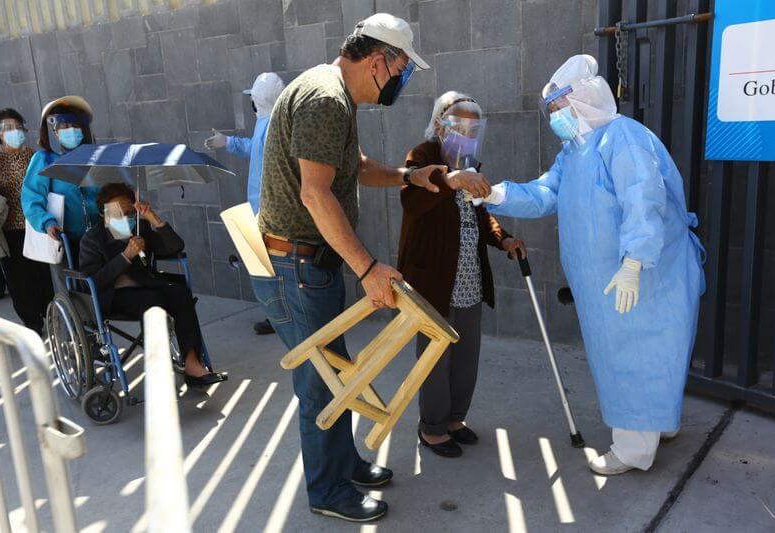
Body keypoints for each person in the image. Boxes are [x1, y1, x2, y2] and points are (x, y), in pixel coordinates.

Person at [252, 13, 489, 522]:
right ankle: (328, 492)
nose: (402, 80)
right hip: (298, 261)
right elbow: (314, 194)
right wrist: (366, 268)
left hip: (310, 261)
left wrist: (410, 175)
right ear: (379, 60)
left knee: (335, 373)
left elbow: (355, 167)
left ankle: (343, 466)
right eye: (403, 68)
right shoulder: (324, 99)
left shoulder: (336, 95)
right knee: (319, 382)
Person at [484, 55, 705, 475]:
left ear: (581, 102)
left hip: (642, 278)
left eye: (557, 110)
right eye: (550, 113)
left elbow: (644, 201)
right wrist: (496, 195)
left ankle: (633, 450)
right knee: (639, 355)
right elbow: (546, 193)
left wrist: (634, 263)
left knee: (637, 355)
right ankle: (654, 424)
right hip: (605, 283)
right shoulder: (576, 151)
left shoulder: (624, 139)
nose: (554, 120)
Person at [398, 91, 525, 458]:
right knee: (435, 355)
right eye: (458, 125)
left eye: (473, 127)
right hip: (432, 276)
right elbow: (411, 200)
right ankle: (432, 427)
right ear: (440, 123)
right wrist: (450, 180)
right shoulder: (422, 156)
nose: (465, 133)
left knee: (466, 353)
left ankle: (455, 418)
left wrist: (504, 240)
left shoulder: (471, 163)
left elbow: (481, 214)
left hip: (467, 274)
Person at [78, 184, 227, 388]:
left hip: (146, 285)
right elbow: (93, 282)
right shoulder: (93, 239)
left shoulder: (139, 229)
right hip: (114, 296)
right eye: (118, 212)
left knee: (179, 293)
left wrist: (153, 218)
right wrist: (125, 256)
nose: (125, 216)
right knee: (153, 300)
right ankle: (159, 367)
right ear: (104, 213)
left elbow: (175, 247)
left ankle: (193, 365)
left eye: (129, 211)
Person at [204, 72, 286, 336]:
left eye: (253, 97)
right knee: (269, 264)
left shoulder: (273, 124)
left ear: (260, 100)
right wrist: (227, 142)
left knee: (267, 266)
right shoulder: (269, 121)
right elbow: (254, 148)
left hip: (268, 208)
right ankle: (279, 315)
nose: (251, 102)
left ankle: (279, 317)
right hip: (264, 206)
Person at [21, 96, 100, 271]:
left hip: (99, 238)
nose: (70, 131)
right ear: (55, 132)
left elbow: (109, 193)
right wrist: (46, 222)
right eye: (63, 127)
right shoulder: (45, 160)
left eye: (75, 126)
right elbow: (31, 199)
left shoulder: (95, 158)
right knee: (75, 293)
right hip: (64, 240)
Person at [0, 108, 54, 332]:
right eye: (8, 128)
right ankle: (33, 325)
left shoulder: (35, 156)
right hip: (10, 230)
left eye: (18, 127)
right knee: (19, 281)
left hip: (36, 225)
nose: (15, 132)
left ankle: (50, 314)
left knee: (43, 277)